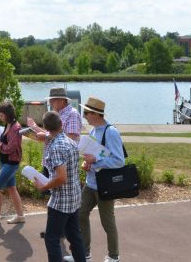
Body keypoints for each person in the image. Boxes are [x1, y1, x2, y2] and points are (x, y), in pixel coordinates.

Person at [64, 97, 124, 262]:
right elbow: (92, 155)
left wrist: (95, 161)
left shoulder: (111, 132)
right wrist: (87, 163)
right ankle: (84, 253)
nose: (84, 116)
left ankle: (114, 257)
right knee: (80, 214)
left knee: (107, 222)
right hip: (91, 183)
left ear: (96, 114)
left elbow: (119, 161)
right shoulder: (92, 131)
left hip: (105, 185)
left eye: (86, 113)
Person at [34, 111, 86, 262]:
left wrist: (44, 186)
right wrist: (47, 136)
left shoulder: (55, 147)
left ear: (45, 127)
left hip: (61, 202)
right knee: (75, 236)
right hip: (75, 197)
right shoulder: (70, 141)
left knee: (52, 238)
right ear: (61, 125)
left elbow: (61, 178)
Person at [0, 100, 25, 226]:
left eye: (1, 115)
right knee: (12, 188)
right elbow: (5, 141)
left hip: (11, 163)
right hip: (5, 162)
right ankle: (20, 216)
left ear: (8, 114)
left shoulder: (16, 128)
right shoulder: (8, 125)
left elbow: (10, 148)